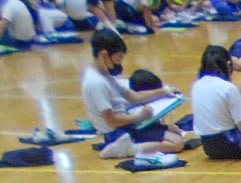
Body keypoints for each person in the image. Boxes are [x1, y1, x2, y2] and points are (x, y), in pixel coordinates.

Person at [79, 27, 186, 159]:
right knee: (177, 143)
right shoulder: (96, 82)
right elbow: (112, 120)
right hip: (117, 132)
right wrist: (139, 117)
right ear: (104, 55)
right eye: (118, 60)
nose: (119, 64)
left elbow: (134, 96)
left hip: (126, 126)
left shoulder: (105, 75)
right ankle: (129, 149)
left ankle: (126, 146)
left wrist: (162, 92)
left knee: (175, 131)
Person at [192, 43, 241, 158]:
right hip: (233, 145)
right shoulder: (228, 88)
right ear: (229, 64)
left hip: (208, 148)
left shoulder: (197, 85)